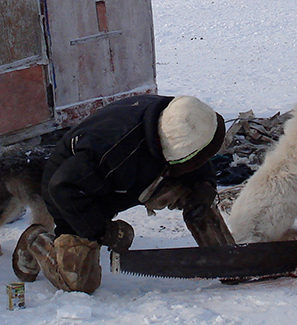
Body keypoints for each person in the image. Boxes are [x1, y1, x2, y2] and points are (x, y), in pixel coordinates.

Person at [12, 94, 231, 294]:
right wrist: (103, 231)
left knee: (199, 198)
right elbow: (62, 188)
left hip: (128, 174)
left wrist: (205, 185)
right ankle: (36, 241)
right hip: (74, 194)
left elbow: (196, 155)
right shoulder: (112, 151)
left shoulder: (181, 115)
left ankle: (229, 261)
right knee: (79, 282)